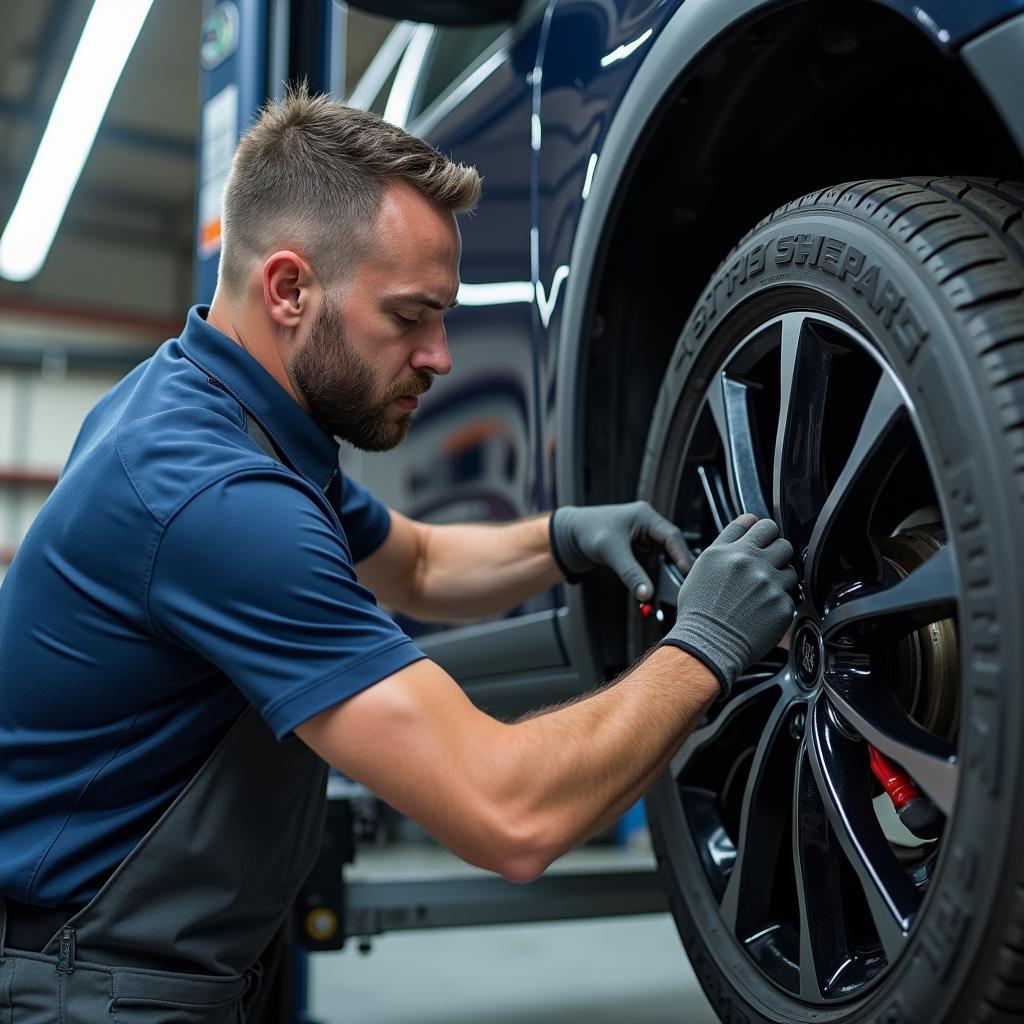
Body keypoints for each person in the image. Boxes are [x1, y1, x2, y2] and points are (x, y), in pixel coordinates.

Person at [0, 85, 796, 1021]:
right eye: (411, 316)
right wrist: (704, 645)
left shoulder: (206, 407)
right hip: (79, 983)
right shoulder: (217, 501)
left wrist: (565, 537)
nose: (441, 355)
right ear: (290, 288)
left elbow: (415, 565)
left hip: (141, 960)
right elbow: (511, 817)